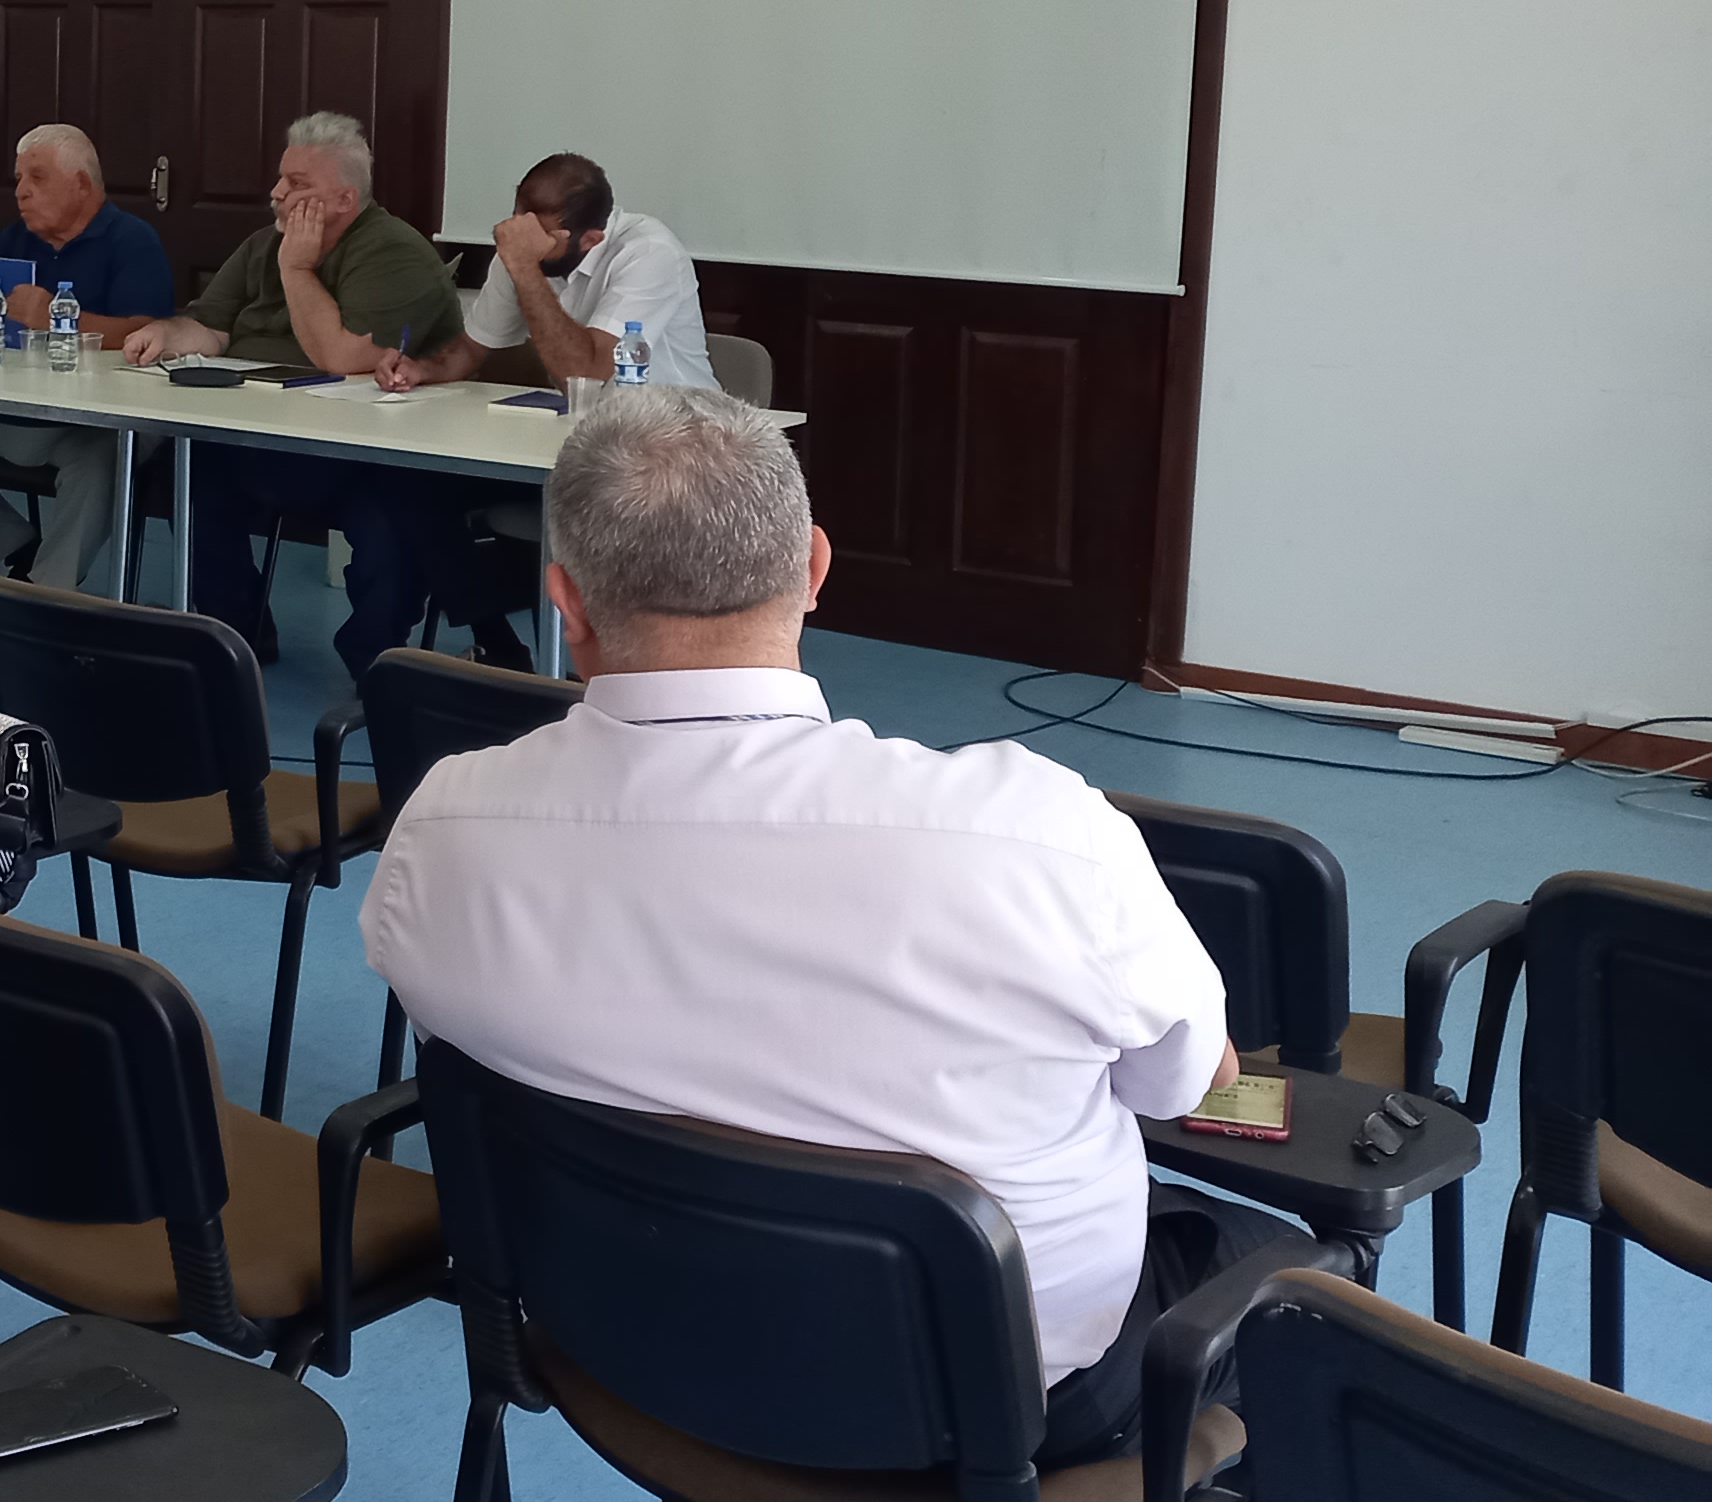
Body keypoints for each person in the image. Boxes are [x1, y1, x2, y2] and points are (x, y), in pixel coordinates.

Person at [362, 388, 1288, 1468]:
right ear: (813, 568)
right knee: (1288, 1278)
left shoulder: (444, 829)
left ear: (563, 600)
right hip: (997, 1408)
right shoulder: (1036, 836)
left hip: (620, 1348)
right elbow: (1185, 1085)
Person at [119, 111, 468, 673]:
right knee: (189, 470)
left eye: (297, 183)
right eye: (281, 178)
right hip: (265, 431)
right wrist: (167, 335)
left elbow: (343, 358)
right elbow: (211, 326)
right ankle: (237, 633)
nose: (277, 193)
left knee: (390, 520)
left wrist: (298, 271)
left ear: (345, 199)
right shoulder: (264, 244)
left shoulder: (393, 252)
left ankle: (377, 667)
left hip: (364, 451)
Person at [0, 123, 174, 590]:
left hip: (84, 421)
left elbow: (147, 333)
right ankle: (18, 547)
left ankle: (47, 592)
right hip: (2, 409)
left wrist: (56, 316)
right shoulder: (15, 238)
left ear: (82, 184)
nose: (21, 192)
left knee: (100, 465)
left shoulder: (132, 240)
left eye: (37, 178)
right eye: (18, 180)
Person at [378, 152, 714, 394]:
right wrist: (420, 369)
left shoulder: (650, 252)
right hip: (596, 431)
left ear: (590, 240)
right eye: (519, 225)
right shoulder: (522, 245)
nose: (524, 241)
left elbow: (585, 376)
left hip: (683, 435)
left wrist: (525, 268)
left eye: (541, 237)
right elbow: (471, 349)